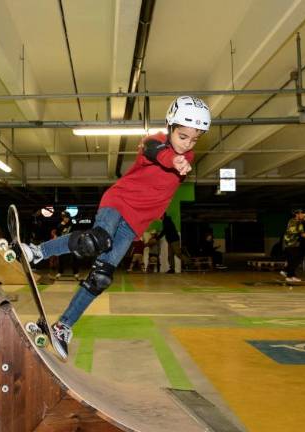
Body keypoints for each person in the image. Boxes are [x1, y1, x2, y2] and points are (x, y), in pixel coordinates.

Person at [20, 96, 210, 358]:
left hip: (135, 223)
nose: (187, 144)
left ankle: (62, 326)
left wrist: (181, 157)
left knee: (102, 276)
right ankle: (37, 251)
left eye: (194, 139)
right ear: (169, 127)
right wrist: (172, 159)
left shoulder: (188, 154)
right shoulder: (156, 141)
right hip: (118, 201)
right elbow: (153, 149)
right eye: (182, 136)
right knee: (96, 240)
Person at [280, 209, 305, 283]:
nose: (304, 215)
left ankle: (289, 273)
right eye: (302, 214)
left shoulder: (291, 220)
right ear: (297, 214)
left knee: (294, 258)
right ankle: (288, 275)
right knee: (297, 257)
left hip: (289, 243)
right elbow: (302, 234)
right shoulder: (297, 222)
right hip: (291, 244)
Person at [55, 212, 79, 279]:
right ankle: (60, 272)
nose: (67, 219)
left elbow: (75, 233)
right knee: (61, 259)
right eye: (65, 217)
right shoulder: (59, 225)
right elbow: (56, 235)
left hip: (71, 243)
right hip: (62, 244)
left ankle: (76, 273)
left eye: (68, 217)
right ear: (63, 218)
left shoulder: (71, 225)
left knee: (74, 258)